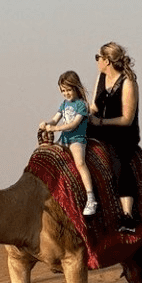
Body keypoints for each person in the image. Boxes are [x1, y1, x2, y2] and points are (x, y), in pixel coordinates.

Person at [88, 42, 140, 231]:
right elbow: (94, 106)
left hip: (122, 133)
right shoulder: (101, 77)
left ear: (107, 61)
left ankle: (127, 215)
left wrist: (100, 123)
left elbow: (127, 119)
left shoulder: (128, 82)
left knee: (119, 161)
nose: (97, 62)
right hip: (100, 127)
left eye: (98, 58)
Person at [41, 71, 97, 216]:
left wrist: (56, 128)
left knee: (80, 163)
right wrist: (46, 124)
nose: (66, 93)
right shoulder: (64, 104)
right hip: (64, 140)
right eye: (63, 91)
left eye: (68, 90)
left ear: (76, 88)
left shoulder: (82, 105)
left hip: (76, 139)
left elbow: (73, 124)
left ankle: (91, 198)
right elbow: (55, 119)